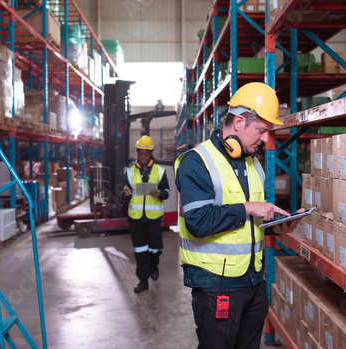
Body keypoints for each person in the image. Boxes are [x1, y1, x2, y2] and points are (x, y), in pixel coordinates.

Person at [174, 82, 305, 348]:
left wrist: (278, 226)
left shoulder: (253, 162)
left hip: (253, 280)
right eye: (261, 130)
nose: (265, 139)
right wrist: (248, 207)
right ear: (239, 122)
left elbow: (249, 223)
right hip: (216, 284)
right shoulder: (196, 162)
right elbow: (198, 222)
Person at [123, 135, 170, 293]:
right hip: (136, 218)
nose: (142, 157)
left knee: (154, 249)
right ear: (137, 154)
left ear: (151, 154)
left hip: (153, 218)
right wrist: (126, 193)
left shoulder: (160, 171)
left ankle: (154, 265)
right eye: (139, 153)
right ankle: (143, 281)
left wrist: (160, 194)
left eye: (145, 153)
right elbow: (126, 193)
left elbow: (167, 191)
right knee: (139, 250)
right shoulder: (130, 172)